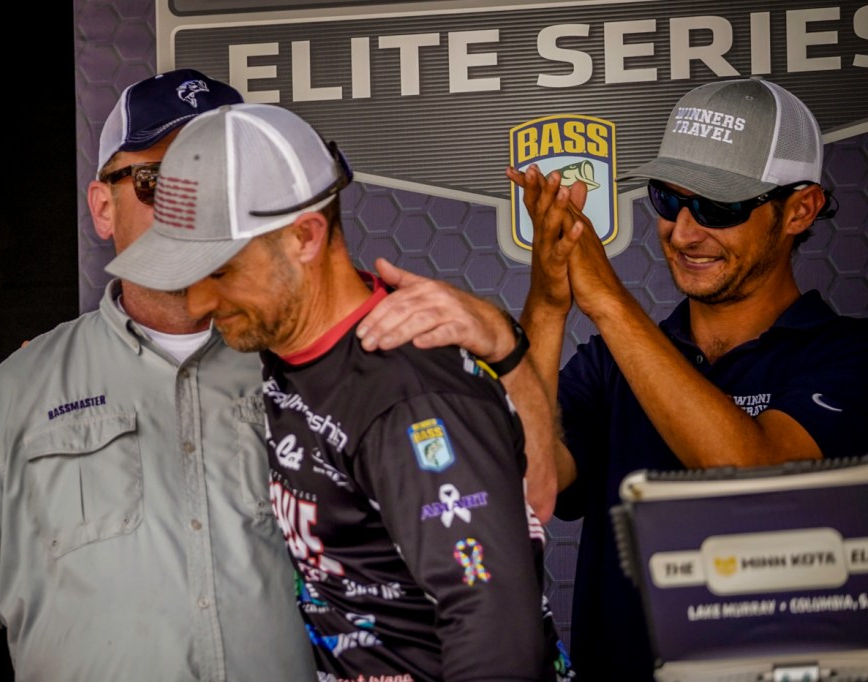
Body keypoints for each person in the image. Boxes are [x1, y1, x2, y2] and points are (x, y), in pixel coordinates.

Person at [357, 78, 868, 678]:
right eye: (667, 199)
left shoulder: (849, 355)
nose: (684, 232)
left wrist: (605, 298)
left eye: (718, 207)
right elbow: (528, 485)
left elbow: (758, 480)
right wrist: (549, 303)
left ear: (800, 209)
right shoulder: (610, 363)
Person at [0, 69, 317, 682]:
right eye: (160, 180)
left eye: (221, 179)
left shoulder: (314, 368)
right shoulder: (15, 394)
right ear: (104, 208)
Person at [105, 103, 564, 682]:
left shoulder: (409, 396)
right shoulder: (284, 346)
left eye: (220, 271)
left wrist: (507, 345)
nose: (198, 303)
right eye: (187, 274)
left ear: (305, 236)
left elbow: (496, 637)